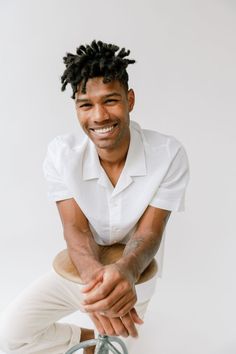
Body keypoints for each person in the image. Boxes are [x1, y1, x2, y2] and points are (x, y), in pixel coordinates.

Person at [0, 40, 190, 354]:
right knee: (10, 335)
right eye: (86, 104)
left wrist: (125, 273)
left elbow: (149, 233)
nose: (99, 116)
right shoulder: (61, 154)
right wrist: (94, 286)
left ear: (130, 100)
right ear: (76, 106)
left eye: (111, 101)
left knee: (119, 343)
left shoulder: (168, 154)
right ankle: (86, 340)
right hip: (83, 271)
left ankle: (103, 340)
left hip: (134, 280)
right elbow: (76, 230)